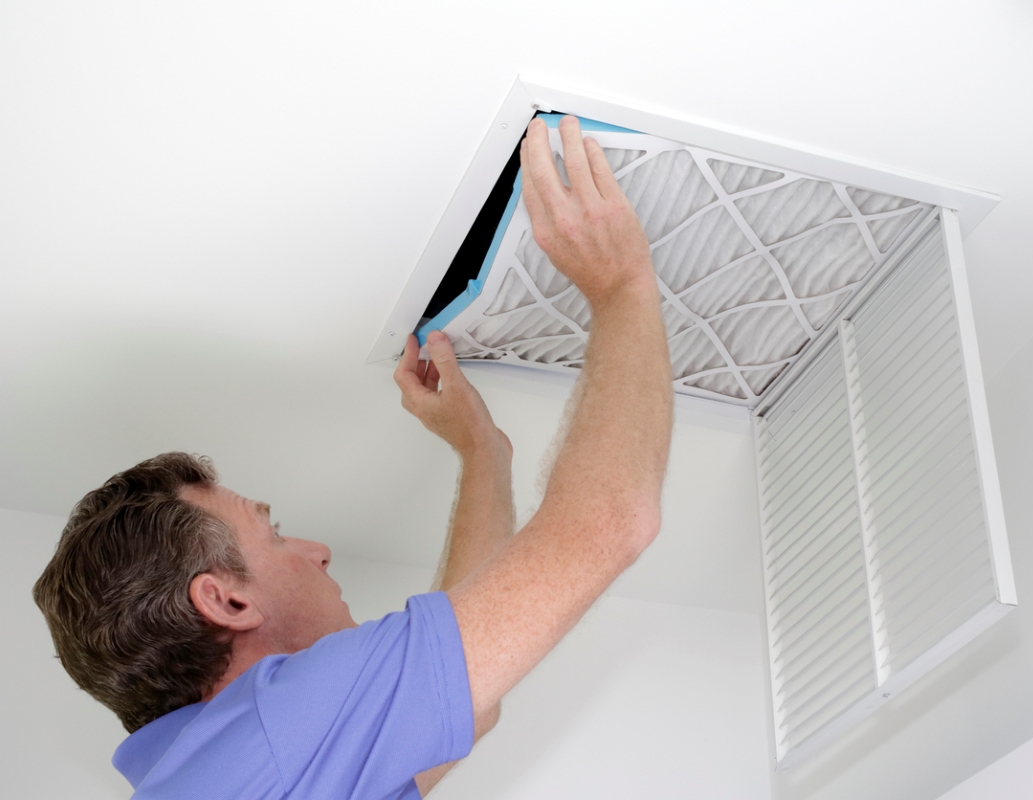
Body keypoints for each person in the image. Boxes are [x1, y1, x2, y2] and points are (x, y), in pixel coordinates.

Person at [31, 115, 674, 798]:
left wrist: (483, 452)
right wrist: (620, 285)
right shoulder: (269, 734)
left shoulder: (235, 767)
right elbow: (610, 520)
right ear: (224, 598)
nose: (317, 551)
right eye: (272, 534)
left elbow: (467, 707)